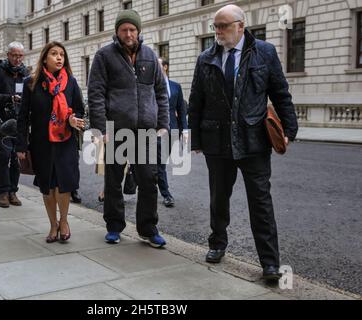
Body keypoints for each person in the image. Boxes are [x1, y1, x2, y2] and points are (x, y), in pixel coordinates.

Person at [188, 4, 298, 280]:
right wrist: (196, 139)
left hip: (253, 141)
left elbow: (280, 92)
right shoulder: (206, 58)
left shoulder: (265, 52)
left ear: (240, 25)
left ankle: (270, 263)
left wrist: (290, 129)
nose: (218, 32)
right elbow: (196, 100)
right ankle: (217, 244)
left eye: (223, 26)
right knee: (218, 199)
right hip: (217, 141)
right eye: (215, 26)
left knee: (261, 202)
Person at [88, 10, 170, 248]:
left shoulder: (150, 56)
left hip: (145, 131)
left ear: (139, 31)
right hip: (116, 129)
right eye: (124, 29)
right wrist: (100, 128)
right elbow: (96, 94)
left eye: (132, 29)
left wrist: (163, 124)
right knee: (113, 181)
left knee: (148, 180)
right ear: (117, 32)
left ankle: (148, 229)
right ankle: (114, 226)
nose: (128, 34)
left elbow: (161, 93)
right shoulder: (104, 56)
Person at [16, 42, 85, 243]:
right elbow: (23, 117)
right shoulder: (32, 83)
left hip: (65, 141)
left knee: (63, 184)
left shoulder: (70, 82)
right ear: (45, 58)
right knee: (47, 186)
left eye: (62, 54)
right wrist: (21, 145)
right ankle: (53, 224)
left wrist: (74, 119)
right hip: (41, 143)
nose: (59, 58)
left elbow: (79, 110)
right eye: (54, 54)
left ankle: (64, 221)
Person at [0, 41, 29, 208]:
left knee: (16, 157)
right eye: (14, 55)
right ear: (8, 55)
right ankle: (3, 193)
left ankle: (13, 191)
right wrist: (10, 98)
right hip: (2, 122)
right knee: (5, 156)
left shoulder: (25, 73)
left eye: (20, 56)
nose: (17, 59)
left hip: (20, 122)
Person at [156, 58, 188, 208]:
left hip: (173, 131)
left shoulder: (176, 87)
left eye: (158, 64)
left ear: (165, 67)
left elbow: (181, 110)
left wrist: (184, 131)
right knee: (160, 163)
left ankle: (138, 181)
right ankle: (166, 194)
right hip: (154, 130)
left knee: (160, 163)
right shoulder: (150, 86)